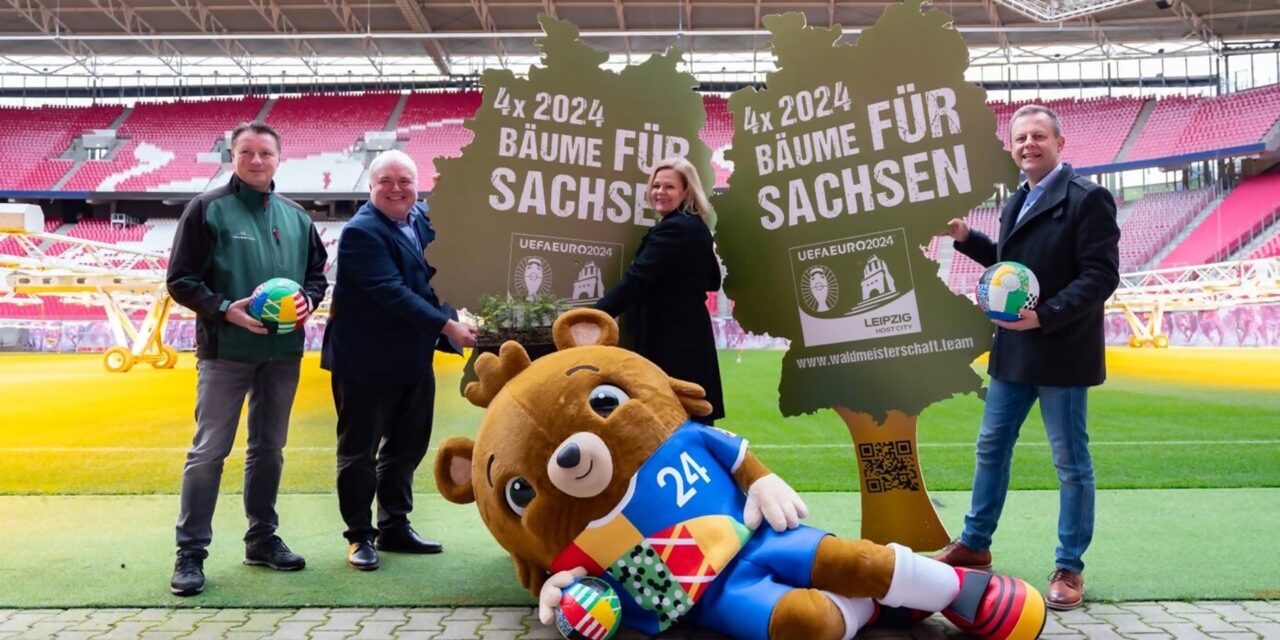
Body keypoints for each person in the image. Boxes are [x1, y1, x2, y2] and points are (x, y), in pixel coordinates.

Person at [934, 104, 1120, 611]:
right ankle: (975, 545)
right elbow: (1013, 269)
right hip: (1014, 351)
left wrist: (1049, 314)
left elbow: (1101, 275)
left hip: (1062, 350)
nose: (1028, 145)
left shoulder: (1088, 199)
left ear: (1059, 143)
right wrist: (967, 240)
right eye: (1020, 139)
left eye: (1038, 136)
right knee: (991, 448)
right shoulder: (1017, 199)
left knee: (1070, 463)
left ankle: (1069, 567)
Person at [166, 121, 329, 596]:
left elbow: (316, 276)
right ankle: (190, 553)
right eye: (246, 152)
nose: (256, 160)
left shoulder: (297, 216)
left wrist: (309, 302)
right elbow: (180, 279)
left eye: (265, 153)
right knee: (209, 453)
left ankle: (261, 539)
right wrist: (224, 310)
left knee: (268, 449)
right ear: (232, 156)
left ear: (279, 158)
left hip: (282, 354)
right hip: (226, 352)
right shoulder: (206, 209)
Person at [321, 150, 477, 571]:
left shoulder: (420, 219)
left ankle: (394, 524)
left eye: (405, 180)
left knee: (408, 444)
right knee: (359, 452)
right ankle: (359, 536)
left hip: (411, 356)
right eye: (386, 180)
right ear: (370, 186)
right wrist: (449, 327)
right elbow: (392, 293)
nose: (396, 188)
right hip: (364, 362)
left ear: (417, 185)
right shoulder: (361, 233)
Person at [595, 157, 725, 424]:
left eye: (669, 187)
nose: (660, 192)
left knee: (668, 420)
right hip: (690, 336)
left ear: (686, 191)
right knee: (691, 419)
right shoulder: (695, 226)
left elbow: (637, 280)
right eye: (656, 186)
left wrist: (593, 317)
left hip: (669, 340)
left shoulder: (675, 229)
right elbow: (712, 280)